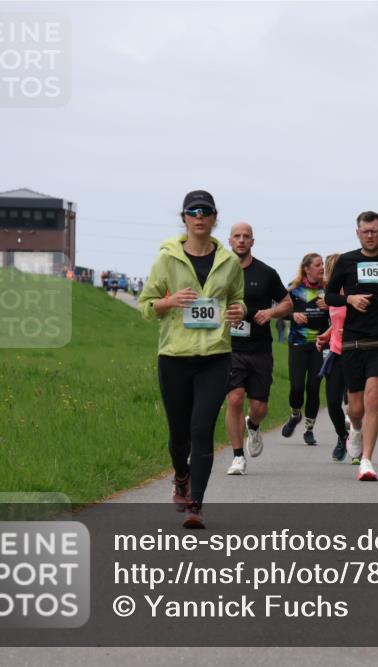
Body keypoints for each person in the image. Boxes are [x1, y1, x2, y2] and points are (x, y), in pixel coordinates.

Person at [138, 190, 246, 528]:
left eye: (206, 211)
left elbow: (239, 300)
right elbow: (146, 306)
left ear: (215, 218)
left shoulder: (229, 262)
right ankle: (181, 476)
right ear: (184, 218)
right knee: (179, 435)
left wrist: (239, 310)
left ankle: (195, 505)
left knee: (202, 428)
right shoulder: (166, 259)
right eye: (193, 212)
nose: (199, 217)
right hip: (174, 356)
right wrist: (169, 303)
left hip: (215, 355)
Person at [324, 211, 378, 480]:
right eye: (365, 231)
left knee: (373, 397)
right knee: (356, 406)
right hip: (353, 340)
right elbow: (329, 295)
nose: (370, 235)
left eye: (375, 231)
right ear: (358, 233)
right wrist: (349, 300)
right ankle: (355, 427)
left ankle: (366, 460)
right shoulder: (347, 261)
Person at [223, 222, 292, 476]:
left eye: (246, 237)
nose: (241, 240)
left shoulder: (266, 273)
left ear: (252, 242)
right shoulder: (219, 272)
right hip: (230, 348)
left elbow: (288, 303)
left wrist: (271, 312)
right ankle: (238, 456)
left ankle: (253, 425)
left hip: (260, 348)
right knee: (234, 398)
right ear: (229, 241)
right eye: (237, 236)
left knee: (259, 407)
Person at [282, 253, 329, 445]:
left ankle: (309, 430)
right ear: (307, 269)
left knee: (313, 388)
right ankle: (295, 414)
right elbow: (280, 311)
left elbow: (340, 311)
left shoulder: (328, 289)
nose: (322, 268)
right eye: (318, 265)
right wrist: (293, 315)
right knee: (297, 387)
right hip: (298, 344)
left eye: (323, 265)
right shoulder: (293, 289)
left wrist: (330, 306)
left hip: (320, 344)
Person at [316, 253, 350, 462]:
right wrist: (326, 336)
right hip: (336, 353)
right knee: (333, 401)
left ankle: (358, 440)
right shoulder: (332, 295)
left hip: (357, 352)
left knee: (357, 404)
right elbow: (336, 322)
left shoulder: (356, 292)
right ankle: (342, 436)